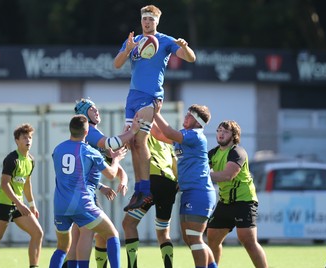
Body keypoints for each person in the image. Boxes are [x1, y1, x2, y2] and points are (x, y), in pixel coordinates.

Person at [113, 4, 196, 211]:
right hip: (132, 97)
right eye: (144, 19)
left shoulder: (166, 40)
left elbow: (191, 58)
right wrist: (128, 50)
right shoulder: (133, 41)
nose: (147, 22)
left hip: (151, 97)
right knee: (132, 143)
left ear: (157, 21)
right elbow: (116, 64)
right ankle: (140, 189)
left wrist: (184, 46)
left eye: (151, 19)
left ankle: (146, 188)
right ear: (141, 20)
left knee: (140, 139)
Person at [49, 115, 138, 268]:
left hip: (60, 206)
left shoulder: (58, 149)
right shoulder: (89, 151)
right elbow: (111, 175)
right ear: (86, 132)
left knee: (62, 247)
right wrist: (116, 160)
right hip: (81, 204)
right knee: (112, 234)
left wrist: (100, 186)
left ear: (71, 130)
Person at [153, 100, 217, 268]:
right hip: (190, 192)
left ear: (197, 122)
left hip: (199, 192)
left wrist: (155, 113)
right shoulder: (186, 134)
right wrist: (142, 120)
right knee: (190, 239)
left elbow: (167, 131)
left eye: (190, 115)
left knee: (195, 238)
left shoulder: (195, 135)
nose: (186, 116)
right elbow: (159, 135)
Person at [0, 123, 43, 268]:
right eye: (24, 137)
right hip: (3, 204)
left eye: (30, 137)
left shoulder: (31, 160)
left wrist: (32, 205)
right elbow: (4, 184)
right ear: (17, 140)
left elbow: (27, 184)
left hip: (18, 205)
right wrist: (20, 204)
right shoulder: (12, 159)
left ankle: (34, 266)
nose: (28, 140)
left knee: (38, 233)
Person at [207, 120, 268, 268]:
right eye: (219, 130)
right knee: (212, 238)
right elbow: (198, 168)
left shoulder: (237, 152)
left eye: (225, 131)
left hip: (244, 201)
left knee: (247, 240)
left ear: (234, 136)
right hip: (225, 202)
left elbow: (228, 175)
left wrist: (202, 176)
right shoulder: (213, 153)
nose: (221, 134)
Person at [122, 134, 178, 268]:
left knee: (128, 224)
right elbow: (175, 163)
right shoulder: (166, 140)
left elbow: (132, 144)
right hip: (169, 183)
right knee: (163, 232)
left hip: (151, 181)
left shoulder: (144, 131)